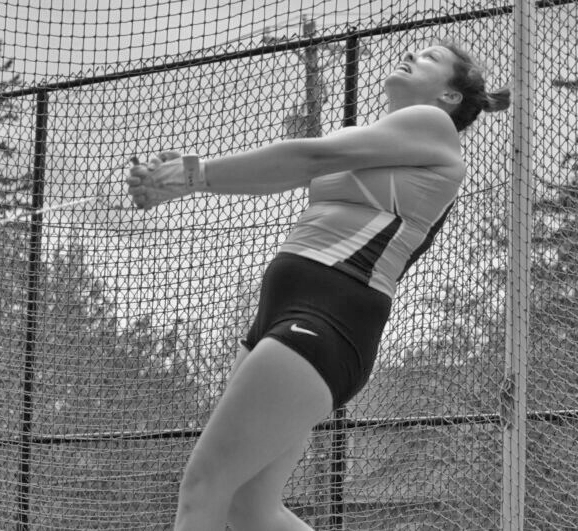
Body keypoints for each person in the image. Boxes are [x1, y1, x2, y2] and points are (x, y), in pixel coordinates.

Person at [127, 41, 510, 531]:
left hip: (327, 320)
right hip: (283, 317)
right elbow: (291, 168)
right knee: (251, 507)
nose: (412, 55)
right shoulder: (382, 139)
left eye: (431, 58)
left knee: (204, 486)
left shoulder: (433, 127)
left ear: (450, 97)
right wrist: (187, 180)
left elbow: (309, 157)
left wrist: (194, 174)